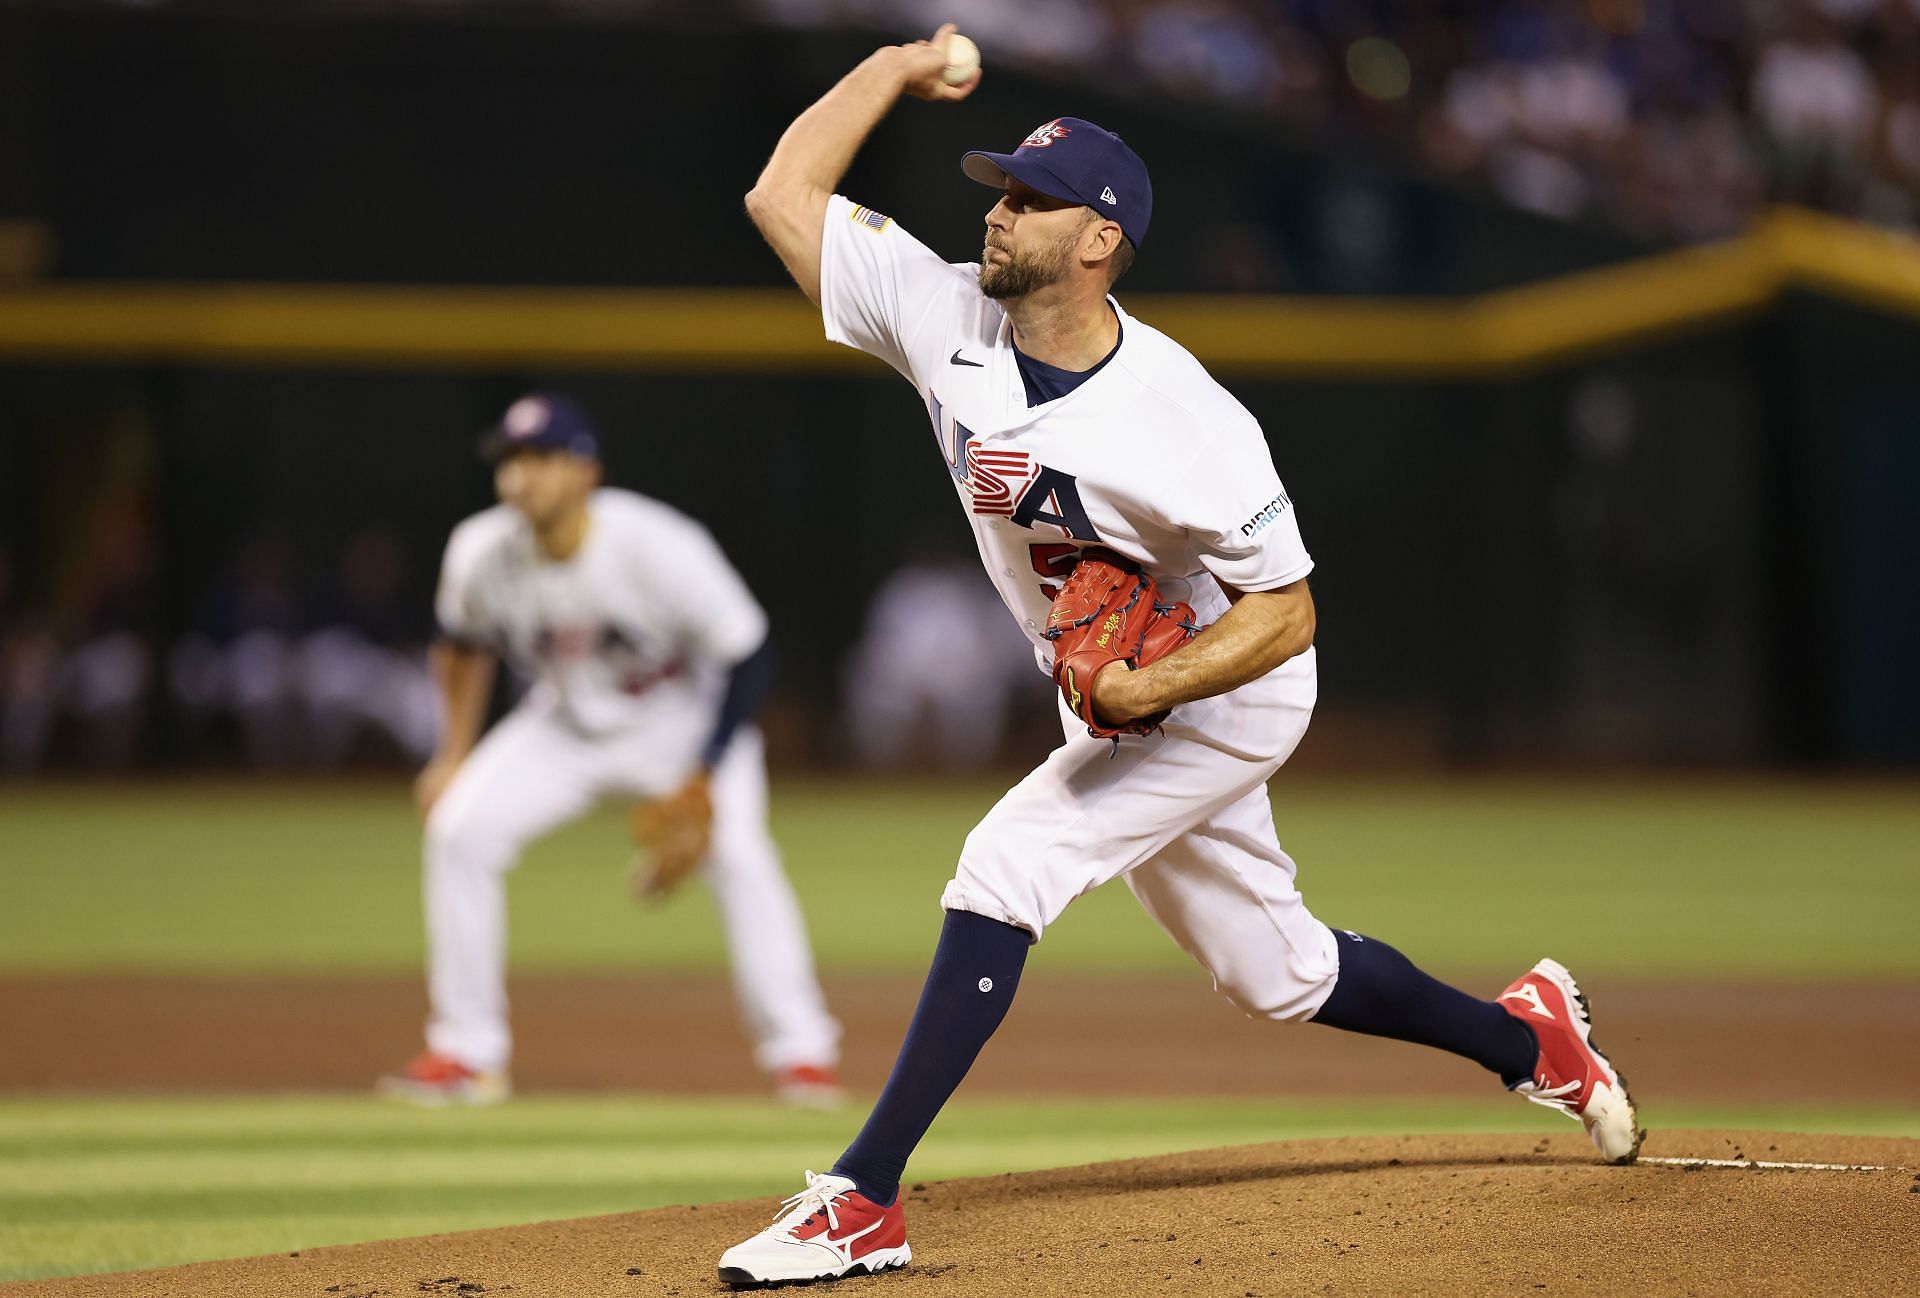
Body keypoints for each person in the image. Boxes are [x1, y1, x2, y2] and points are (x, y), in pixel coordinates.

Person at [716, 26, 1642, 1288]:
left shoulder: (1188, 418)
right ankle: (1530, 1039)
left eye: (1030, 200)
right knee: (1280, 971)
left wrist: (1147, 687)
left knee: (1009, 859)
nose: (997, 211)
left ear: (1098, 242)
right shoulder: (943, 314)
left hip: (1229, 686)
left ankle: (864, 1196)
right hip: (1122, 696)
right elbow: (782, 194)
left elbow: (1289, 611)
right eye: (999, 188)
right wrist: (892, 68)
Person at [378, 394, 843, 1109]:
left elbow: (748, 655)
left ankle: (802, 1056)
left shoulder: (657, 544)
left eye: (538, 459)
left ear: (584, 469)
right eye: (510, 460)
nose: (519, 476)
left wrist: (707, 771)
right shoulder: (480, 550)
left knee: (743, 857)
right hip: (562, 723)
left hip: (679, 720)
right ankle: (466, 1053)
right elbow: (462, 645)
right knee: (459, 831)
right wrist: (452, 754)